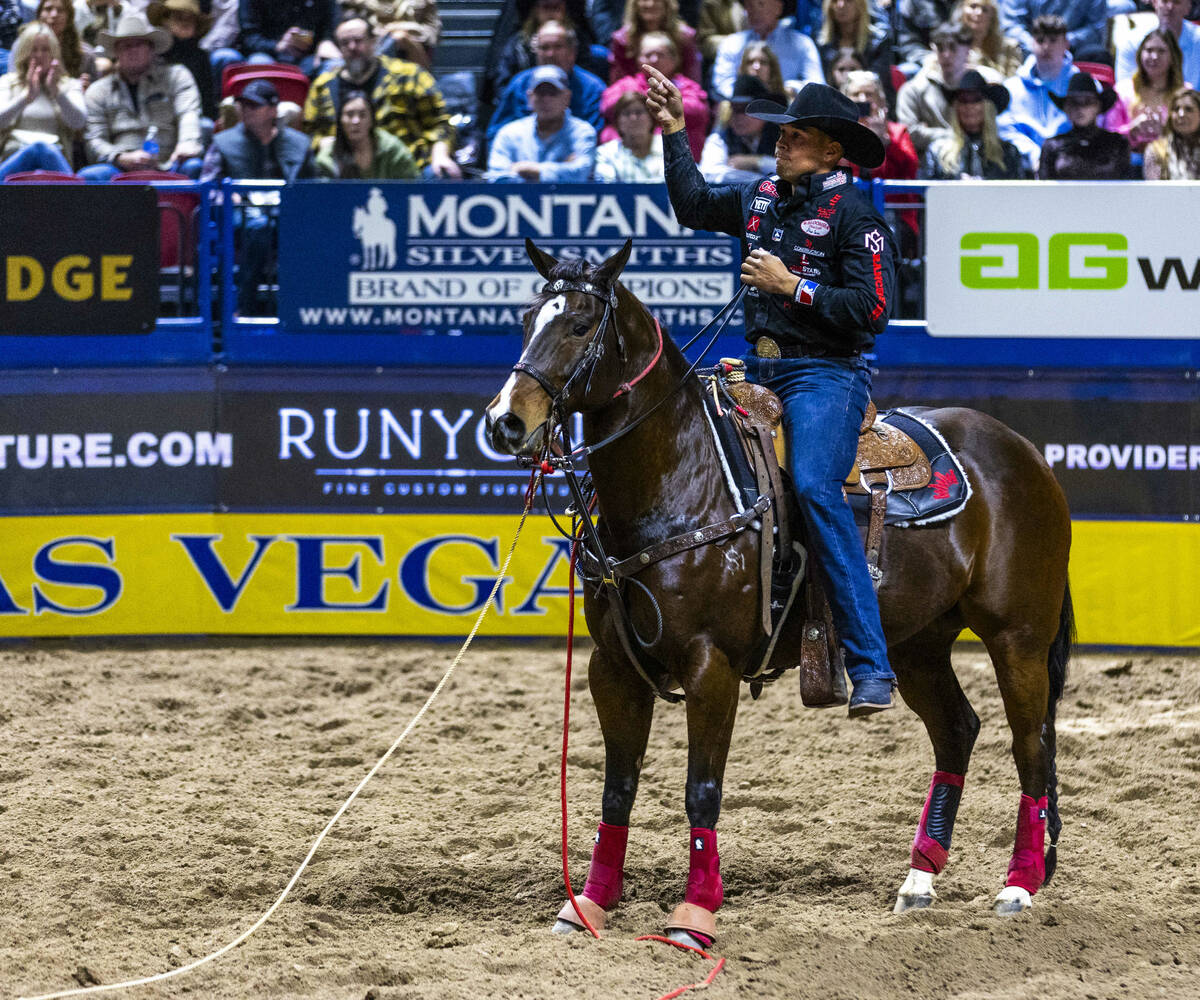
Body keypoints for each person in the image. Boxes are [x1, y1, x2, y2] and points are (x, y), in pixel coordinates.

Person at [645, 65, 899, 717]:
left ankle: (870, 662)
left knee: (814, 486)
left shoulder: (857, 217)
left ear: (833, 151)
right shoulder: (760, 195)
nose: (780, 142)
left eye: (797, 135)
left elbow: (875, 311)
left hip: (826, 374)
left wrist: (794, 287)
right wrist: (675, 130)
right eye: (782, 133)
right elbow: (693, 203)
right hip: (756, 370)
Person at [200, 79, 316, 314]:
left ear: (273, 110)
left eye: (254, 106)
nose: (246, 111)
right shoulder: (223, 142)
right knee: (258, 225)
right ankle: (245, 307)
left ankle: (304, 310)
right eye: (243, 105)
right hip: (239, 215)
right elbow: (207, 188)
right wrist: (226, 197)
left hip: (288, 214)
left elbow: (313, 187)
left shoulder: (299, 143)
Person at [303, 14, 460, 177]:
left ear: (374, 41)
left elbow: (440, 123)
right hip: (345, 172)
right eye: (345, 43)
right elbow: (309, 131)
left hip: (407, 169)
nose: (352, 47)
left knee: (440, 174)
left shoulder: (409, 74)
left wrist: (440, 155)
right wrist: (322, 143)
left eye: (358, 40)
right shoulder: (323, 85)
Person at [80, 10, 203, 180]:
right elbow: (94, 140)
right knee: (91, 175)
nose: (133, 50)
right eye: (126, 46)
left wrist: (186, 144)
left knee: (194, 166)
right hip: (120, 168)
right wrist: (120, 157)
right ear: (116, 52)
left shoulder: (176, 76)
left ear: (152, 49)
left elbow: (188, 114)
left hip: (170, 162)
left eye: (139, 44)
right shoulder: (98, 91)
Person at [487, 20, 605, 142]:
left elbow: (595, 136)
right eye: (544, 48)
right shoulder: (520, 84)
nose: (550, 54)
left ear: (572, 52)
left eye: (558, 47)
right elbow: (496, 132)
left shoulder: (593, 88)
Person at [599, 30, 707, 156]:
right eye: (648, 55)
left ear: (674, 59)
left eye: (661, 54)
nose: (654, 60)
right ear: (639, 59)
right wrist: (655, 100)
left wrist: (643, 101)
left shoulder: (687, 86)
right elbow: (607, 106)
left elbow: (698, 110)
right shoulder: (625, 85)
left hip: (679, 159)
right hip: (631, 158)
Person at [0, 20, 85, 179]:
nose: (39, 56)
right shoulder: (7, 82)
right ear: (25, 53)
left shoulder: (69, 85)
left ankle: (75, 197)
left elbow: (79, 122)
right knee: (38, 148)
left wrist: (58, 93)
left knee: (43, 150)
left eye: (45, 50)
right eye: (34, 50)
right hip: (13, 160)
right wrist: (25, 98)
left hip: (53, 159)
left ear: (54, 53)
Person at [897, 20, 995, 153]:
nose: (946, 55)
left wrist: (928, 131)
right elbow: (908, 132)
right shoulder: (914, 89)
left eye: (953, 48)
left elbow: (992, 129)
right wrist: (954, 135)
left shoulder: (985, 85)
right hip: (931, 164)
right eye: (941, 48)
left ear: (968, 49)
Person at [487, 62, 596, 180]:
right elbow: (496, 176)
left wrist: (530, 170)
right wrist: (561, 170)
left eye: (553, 93)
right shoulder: (509, 133)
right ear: (529, 97)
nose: (546, 100)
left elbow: (581, 173)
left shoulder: (583, 132)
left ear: (567, 97)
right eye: (540, 93)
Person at [999, 13, 1074, 172]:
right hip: (1023, 167)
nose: (1046, 47)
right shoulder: (1011, 88)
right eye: (1040, 40)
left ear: (1066, 44)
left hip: (1072, 165)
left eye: (1053, 41)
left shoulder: (1081, 85)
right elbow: (1004, 129)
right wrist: (1034, 154)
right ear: (1031, 43)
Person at [922, 67, 1026, 177]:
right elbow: (925, 192)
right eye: (963, 101)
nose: (969, 107)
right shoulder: (937, 152)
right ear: (956, 108)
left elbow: (1019, 193)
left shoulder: (1009, 153)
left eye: (976, 100)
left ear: (988, 108)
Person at [711, 0, 824, 100]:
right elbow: (722, 84)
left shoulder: (802, 44)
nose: (753, 10)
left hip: (786, 113)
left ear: (778, 7)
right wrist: (746, 95)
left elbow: (818, 85)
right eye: (749, 5)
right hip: (743, 113)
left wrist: (789, 89)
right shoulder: (731, 43)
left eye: (761, 3)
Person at [1037, 70, 1131, 178]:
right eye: (1074, 102)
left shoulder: (1118, 144)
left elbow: (1126, 187)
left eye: (1087, 102)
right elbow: (1044, 189)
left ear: (1098, 106)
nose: (1080, 108)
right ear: (1066, 108)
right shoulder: (1052, 146)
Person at [1111, 27, 1184, 159]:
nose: (1154, 57)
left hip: (1172, 164)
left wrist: (1166, 131)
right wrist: (1132, 130)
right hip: (1127, 165)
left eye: (1161, 51)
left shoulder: (1184, 94)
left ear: (1173, 57)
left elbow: (1194, 137)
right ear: (1140, 54)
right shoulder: (1122, 91)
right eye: (1149, 50)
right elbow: (1107, 135)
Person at [314, 87, 419, 178]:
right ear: (340, 121)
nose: (356, 121)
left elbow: (414, 188)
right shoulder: (328, 158)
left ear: (372, 120)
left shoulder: (392, 150)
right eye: (349, 115)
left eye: (362, 115)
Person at [698, 72, 781, 181]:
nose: (739, 117)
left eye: (745, 110)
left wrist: (757, 162)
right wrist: (762, 180)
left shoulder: (781, 136)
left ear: (762, 112)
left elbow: (794, 169)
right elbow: (710, 174)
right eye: (735, 109)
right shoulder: (721, 137)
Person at [148, 0, 216, 120]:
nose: (185, 22)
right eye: (179, 17)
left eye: (190, 19)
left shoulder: (201, 57)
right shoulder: (154, 54)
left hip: (194, 116)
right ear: (165, 21)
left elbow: (207, 102)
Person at [238, 0, 339, 78]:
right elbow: (248, 37)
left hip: (309, 56)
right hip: (267, 54)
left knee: (332, 65)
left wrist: (326, 42)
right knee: (259, 63)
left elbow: (331, 27)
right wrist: (277, 46)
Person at [1114, 0, 1200, 89]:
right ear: (1155, 3)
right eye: (1164, 1)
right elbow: (1124, 90)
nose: (1170, 7)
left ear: (1189, 7)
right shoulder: (1132, 41)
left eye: (1176, 2)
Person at [608, 0, 699, 83]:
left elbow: (692, 81)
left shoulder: (685, 37)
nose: (650, 4)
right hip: (634, 94)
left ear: (667, 4)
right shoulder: (622, 39)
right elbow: (618, 83)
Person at [816, 0, 892, 94]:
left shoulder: (879, 41)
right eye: (835, 1)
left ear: (861, 4)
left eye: (848, 1)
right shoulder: (821, 43)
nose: (841, 5)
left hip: (868, 99)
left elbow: (879, 83)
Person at [997, 0, 1106, 59]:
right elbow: (1010, 25)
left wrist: (1062, 42)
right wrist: (1035, 44)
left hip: (1074, 51)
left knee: (1097, 53)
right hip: (1028, 49)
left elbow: (1096, 28)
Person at [594, 87, 664, 179]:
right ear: (617, 121)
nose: (633, 118)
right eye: (626, 113)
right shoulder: (605, 153)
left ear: (651, 117)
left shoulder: (668, 148)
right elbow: (608, 189)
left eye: (639, 112)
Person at [1143, 84, 1200, 178]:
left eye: (1188, 109)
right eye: (1176, 109)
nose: (1181, 114)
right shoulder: (1156, 151)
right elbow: (1153, 191)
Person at [954, 0, 1021, 78]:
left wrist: (982, 71)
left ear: (992, 17)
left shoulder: (1009, 48)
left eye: (984, 10)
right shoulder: (948, 44)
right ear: (962, 10)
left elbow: (1013, 84)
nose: (979, 12)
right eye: (973, 6)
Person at [37, 0, 97, 87]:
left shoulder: (85, 54)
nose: (54, 15)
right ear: (39, 15)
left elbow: (97, 93)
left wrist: (88, 88)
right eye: (48, 9)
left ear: (69, 17)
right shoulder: (25, 48)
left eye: (60, 10)